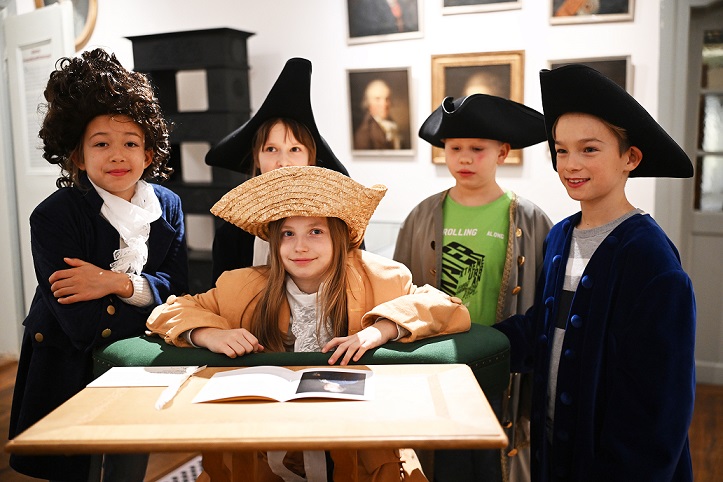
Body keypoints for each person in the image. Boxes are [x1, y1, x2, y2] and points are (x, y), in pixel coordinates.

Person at [147, 165, 471, 481]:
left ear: (339, 237)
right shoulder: (241, 285)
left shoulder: (381, 277)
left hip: (362, 446)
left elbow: (447, 306)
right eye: (288, 233)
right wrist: (208, 333)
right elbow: (167, 312)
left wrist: (379, 330)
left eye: (316, 231)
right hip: (268, 446)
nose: (300, 246)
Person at [493, 64, 696, 481]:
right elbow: (543, 329)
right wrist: (461, 341)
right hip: (555, 455)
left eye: (589, 149)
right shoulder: (561, 236)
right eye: (561, 149)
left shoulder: (651, 260)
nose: (570, 164)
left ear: (630, 158)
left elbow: (659, 409)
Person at [8, 48, 189, 481]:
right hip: (66, 365)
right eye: (101, 144)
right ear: (77, 155)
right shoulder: (54, 217)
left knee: (131, 464)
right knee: (78, 470)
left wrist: (114, 283)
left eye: (131, 143)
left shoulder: (168, 205)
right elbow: (84, 327)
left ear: (149, 154)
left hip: (139, 363)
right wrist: (149, 296)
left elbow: (180, 290)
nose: (117, 155)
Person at [393, 94, 552, 482]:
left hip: (501, 364)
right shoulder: (421, 216)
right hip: (440, 362)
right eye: (455, 148)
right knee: (443, 461)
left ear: (503, 152)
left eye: (477, 149)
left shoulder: (531, 220)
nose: (464, 158)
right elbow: (397, 294)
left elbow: (544, 305)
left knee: (494, 460)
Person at [205, 57, 351, 283]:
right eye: (271, 149)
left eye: (294, 149)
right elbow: (219, 298)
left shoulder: (339, 225)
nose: (283, 162)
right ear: (257, 158)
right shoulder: (231, 234)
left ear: (311, 160)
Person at [353, 78, 404, 150]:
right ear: (368, 103)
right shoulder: (364, 134)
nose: (384, 104)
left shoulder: (392, 125)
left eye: (387, 99)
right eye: (377, 99)